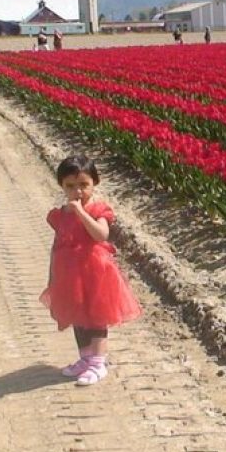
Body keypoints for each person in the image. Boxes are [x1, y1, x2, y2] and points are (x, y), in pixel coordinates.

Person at [40, 155, 142, 386]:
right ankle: (85, 358)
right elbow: (57, 244)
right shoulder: (60, 214)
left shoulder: (97, 209)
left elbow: (101, 235)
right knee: (77, 316)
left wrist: (81, 212)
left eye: (84, 185)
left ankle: (98, 362)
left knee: (96, 316)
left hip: (96, 272)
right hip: (69, 273)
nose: (78, 191)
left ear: (95, 183)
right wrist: (53, 276)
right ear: (62, 186)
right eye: (70, 186)